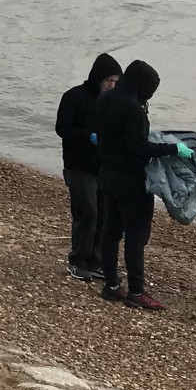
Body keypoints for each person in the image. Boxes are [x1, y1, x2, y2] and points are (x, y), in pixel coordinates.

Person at [92, 59, 193, 311]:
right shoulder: (133, 108)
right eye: (150, 89)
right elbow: (139, 148)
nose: (149, 94)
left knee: (110, 231)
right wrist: (174, 148)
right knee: (136, 236)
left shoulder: (106, 98)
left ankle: (112, 285)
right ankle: (136, 291)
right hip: (131, 181)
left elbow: (114, 137)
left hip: (106, 174)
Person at [55, 53, 122, 282]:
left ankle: (96, 260)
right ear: (98, 78)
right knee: (87, 213)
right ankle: (78, 260)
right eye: (108, 81)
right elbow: (62, 128)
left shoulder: (113, 102)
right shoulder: (74, 96)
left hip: (103, 167)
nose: (111, 85)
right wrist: (88, 137)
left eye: (116, 81)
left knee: (104, 214)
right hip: (78, 165)